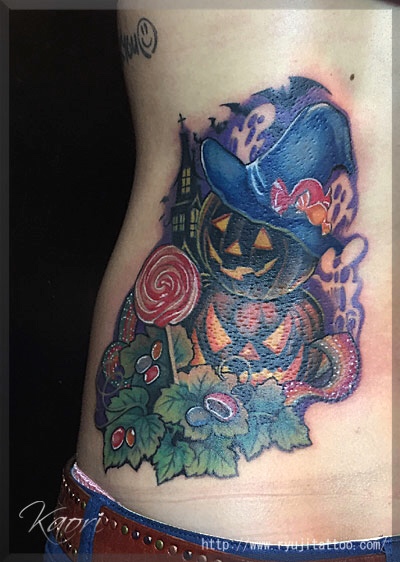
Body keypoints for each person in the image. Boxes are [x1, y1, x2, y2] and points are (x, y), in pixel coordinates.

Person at [45, 3, 398, 561]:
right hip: (193, 517)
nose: (237, 248)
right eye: (230, 228)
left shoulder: (295, 320)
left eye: (259, 237)